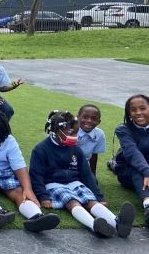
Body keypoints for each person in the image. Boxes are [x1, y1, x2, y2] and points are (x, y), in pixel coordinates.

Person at [30, 110, 134, 238]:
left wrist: (99, 196)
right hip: (53, 185)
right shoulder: (41, 149)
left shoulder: (75, 149)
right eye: (71, 132)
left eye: (76, 132)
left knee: (91, 201)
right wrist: (43, 196)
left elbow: (86, 174)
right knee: (72, 201)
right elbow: (36, 175)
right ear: (57, 130)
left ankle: (117, 222)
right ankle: (94, 226)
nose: (75, 136)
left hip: (75, 183)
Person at [112, 94, 149, 228]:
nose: (138, 113)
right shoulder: (123, 129)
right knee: (136, 167)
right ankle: (148, 205)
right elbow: (133, 154)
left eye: (142, 108)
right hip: (129, 172)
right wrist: (147, 171)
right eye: (133, 110)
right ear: (129, 113)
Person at [77, 104, 106, 176]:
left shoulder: (99, 134)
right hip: (63, 165)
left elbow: (94, 155)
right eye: (85, 117)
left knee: (92, 184)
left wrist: (92, 175)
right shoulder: (69, 131)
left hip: (81, 167)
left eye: (94, 118)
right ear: (77, 118)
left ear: (99, 122)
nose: (89, 121)